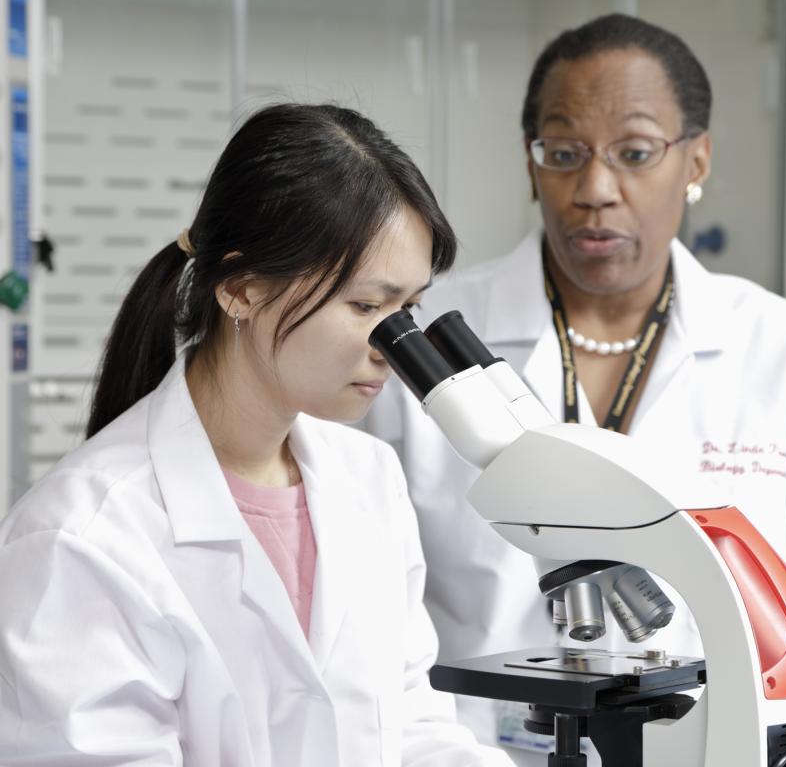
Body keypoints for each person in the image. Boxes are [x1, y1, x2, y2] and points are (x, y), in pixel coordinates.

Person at [0, 104, 515, 766]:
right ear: (241, 289)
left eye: (408, 308)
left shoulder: (369, 479)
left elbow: (413, 726)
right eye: (366, 306)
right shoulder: (83, 538)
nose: (396, 344)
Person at [365, 13, 786, 763]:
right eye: (563, 153)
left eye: (634, 152)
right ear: (528, 163)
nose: (595, 189)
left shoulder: (781, 351)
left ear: (696, 162)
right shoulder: (418, 343)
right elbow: (359, 607)